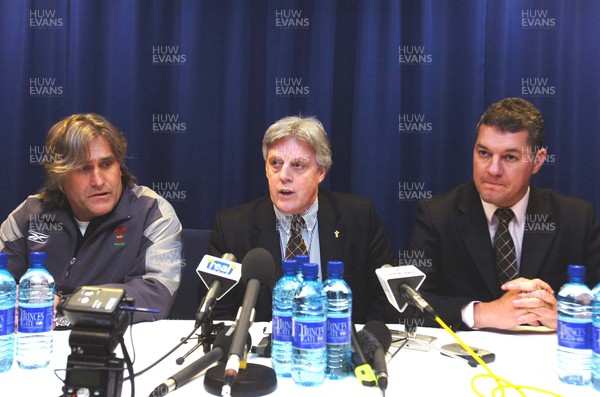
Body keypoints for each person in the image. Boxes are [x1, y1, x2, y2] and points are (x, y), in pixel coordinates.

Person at [407, 97, 600, 330]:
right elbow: (407, 304)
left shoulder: (575, 219)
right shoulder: (438, 215)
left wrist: (566, 316)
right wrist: (482, 313)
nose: (493, 170)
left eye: (510, 157)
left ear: (537, 161)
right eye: (484, 153)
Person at [208, 116, 396, 323]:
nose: (284, 176)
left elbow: (385, 300)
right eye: (275, 163)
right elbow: (217, 312)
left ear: (321, 172)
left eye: (298, 165)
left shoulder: (359, 217)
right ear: (265, 169)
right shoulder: (232, 227)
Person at [0, 113, 182, 323]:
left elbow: (155, 296)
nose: (98, 181)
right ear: (60, 179)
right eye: (83, 168)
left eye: (106, 164)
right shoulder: (30, 214)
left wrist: (67, 304)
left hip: (111, 345)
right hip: (37, 340)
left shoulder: (153, 212)